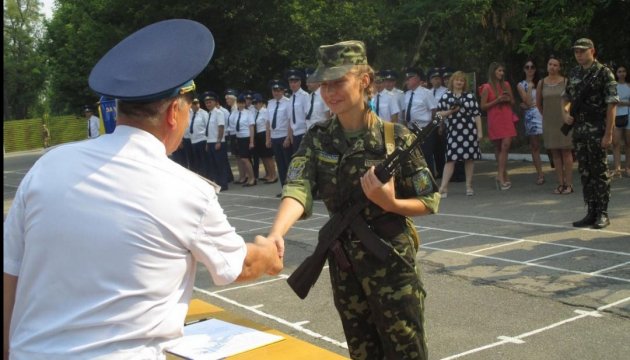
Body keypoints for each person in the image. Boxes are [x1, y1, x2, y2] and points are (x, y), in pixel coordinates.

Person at [3, 19, 282, 359]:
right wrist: (267, 252)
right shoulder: (186, 191)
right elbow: (241, 267)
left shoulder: (47, 166)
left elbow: (10, 274)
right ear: (173, 113)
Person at [265, 40, 439, 360]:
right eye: (324, 85)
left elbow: (429, 199)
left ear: (365, 81)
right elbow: (298, 186)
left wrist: (392, 204)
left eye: (338, 82)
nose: (329, 92)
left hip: (391, 263)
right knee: (362, 350)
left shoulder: (395, 138)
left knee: (406, 350)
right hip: (345, 266)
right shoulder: (318, 139)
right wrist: (277, 232)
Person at [563, 38, 618, 229]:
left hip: (597, 129)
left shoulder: (604, 73)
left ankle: (603, 213)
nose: (578, 54)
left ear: (592, 51)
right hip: (580, 130)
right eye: (576, 51)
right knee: (585, 171)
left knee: (600, 172)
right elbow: (567, 98)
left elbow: (611, 105)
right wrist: (567, 112)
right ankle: (591, 211)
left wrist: (608, 134)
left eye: (582, 51)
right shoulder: (574, 72)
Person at [437, 71, 483, 197]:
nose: (459, 82)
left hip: (469, 131)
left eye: (462, 80)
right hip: (453, 131)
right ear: (452, 81)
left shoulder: (469, 96)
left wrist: (480, 132)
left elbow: (477, 115)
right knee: (450, 159)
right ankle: (443, 187)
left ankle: (468, 186)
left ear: (464, 83)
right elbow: (438, 114)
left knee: (469, 159)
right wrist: (450, 112)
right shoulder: (446, 96)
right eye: (457, 80)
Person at [537, 55, 574, 194]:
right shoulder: (542, 82)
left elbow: (570, 100)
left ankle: (569, 184)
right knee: (555, 153)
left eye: (555, 65)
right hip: (549, 122)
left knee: (566, 151)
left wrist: (566, 114)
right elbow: (539, 103)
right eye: (550, 64)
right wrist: (546, 116)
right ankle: (561, 183)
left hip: (564, 120)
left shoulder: (565, 81)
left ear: (559, 67)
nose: (552, 67)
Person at [480, 61, 517, 190]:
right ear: (493, 72)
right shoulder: (486, 87)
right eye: (499, 70)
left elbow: (513, 101)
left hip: (506, 117)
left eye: (502, 71)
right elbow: (483, 106)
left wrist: (507, 99)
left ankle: (500, 175)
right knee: (498, 147)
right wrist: (497, 100)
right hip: (494, 118)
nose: (501, 73)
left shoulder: (506, 85)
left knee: (506, 145)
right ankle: (503, 174)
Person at [404, 68, 439, 177]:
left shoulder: (426, 93)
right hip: (411, 128)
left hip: (424, 128)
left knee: (426, 154)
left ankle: (430, 176)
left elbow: (433, 110)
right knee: (414, 154)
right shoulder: (407, 94)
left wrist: (430, 126)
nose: (407, 81)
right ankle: (419, 177)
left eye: (409, 79)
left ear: (417, 79)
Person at [517, 59, 545, 185]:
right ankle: (540, 174)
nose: (529, 69)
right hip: (531, 117)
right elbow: (528, 102)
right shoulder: (521, 85)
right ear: (524, 69)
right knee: (535, 146)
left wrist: (529, 104)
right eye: (527, 67)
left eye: (532, 67)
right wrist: (530, 88)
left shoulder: (542, 82)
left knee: (551, 144)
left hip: (543, 113)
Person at [266, 79, 292, 197]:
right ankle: (284, 189)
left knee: (288, 165)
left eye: (279, 90)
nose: (276, 93)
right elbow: (268, 122)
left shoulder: (288, 102)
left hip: (284, 137)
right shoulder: (270, 103)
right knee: (280, 165)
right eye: (274, 90)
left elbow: (289, 121)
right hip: (275, 137)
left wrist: (288, 137)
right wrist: (268, 138)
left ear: (283, 91)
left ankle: (292, 190)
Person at [202, 90, 230, 191]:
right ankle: (217, 183)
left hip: (218, 142)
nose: (208, 104)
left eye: (210, 102)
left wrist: (218, 141)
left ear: (215, 102)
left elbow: (221, 127)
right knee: (213, 164)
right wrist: (207, 142)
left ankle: (223, 184)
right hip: (210, 142)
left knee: (220, 164)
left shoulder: (219, 113)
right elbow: (209, 129)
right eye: (206, 102)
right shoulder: (209, 114)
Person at [251, 93, 278, 183]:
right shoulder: (255, 112)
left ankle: (273, 175)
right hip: (258, 136)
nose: (256, 104)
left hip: (264, 134)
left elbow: (268, 125)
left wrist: (268, 138)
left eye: (257, 102)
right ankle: (268, 174)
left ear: (261, 103)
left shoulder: (265, 111)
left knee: (268, 157)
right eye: (254, 103)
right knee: (263, 157)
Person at [233, 93, 257, 187]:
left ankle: (252, 179)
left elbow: (251, 127)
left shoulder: (248, 113)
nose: (241, 104)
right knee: (243, 159)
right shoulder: (235, 113)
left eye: (242, 103)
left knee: (245, 159)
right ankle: (249, 177)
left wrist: (251, 141)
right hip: (239, 137)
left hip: (246, 138)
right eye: (239, 103)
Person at [611, 65, 630, 178]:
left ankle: (627, 167)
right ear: (616, 73)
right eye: (619, 71)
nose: (622, 73)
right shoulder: (613, 86)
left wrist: (622, 103)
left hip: (629, 115)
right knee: (616, 143)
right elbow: (611, 101)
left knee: (629, 143)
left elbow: (618, 101)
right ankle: (617, 169)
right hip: (617, 115)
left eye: (623, 71)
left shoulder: (629, 86)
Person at [189, 97, 209, 176]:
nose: (196, 105)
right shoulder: (190, 114)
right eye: (193, 103)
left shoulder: (204, 113)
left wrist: (207, 141)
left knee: (204, 161)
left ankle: (208, 177)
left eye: (197, 103)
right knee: (197, 161)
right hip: (193, 141)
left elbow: (208, 128)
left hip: (202, 140)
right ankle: (202, 176)